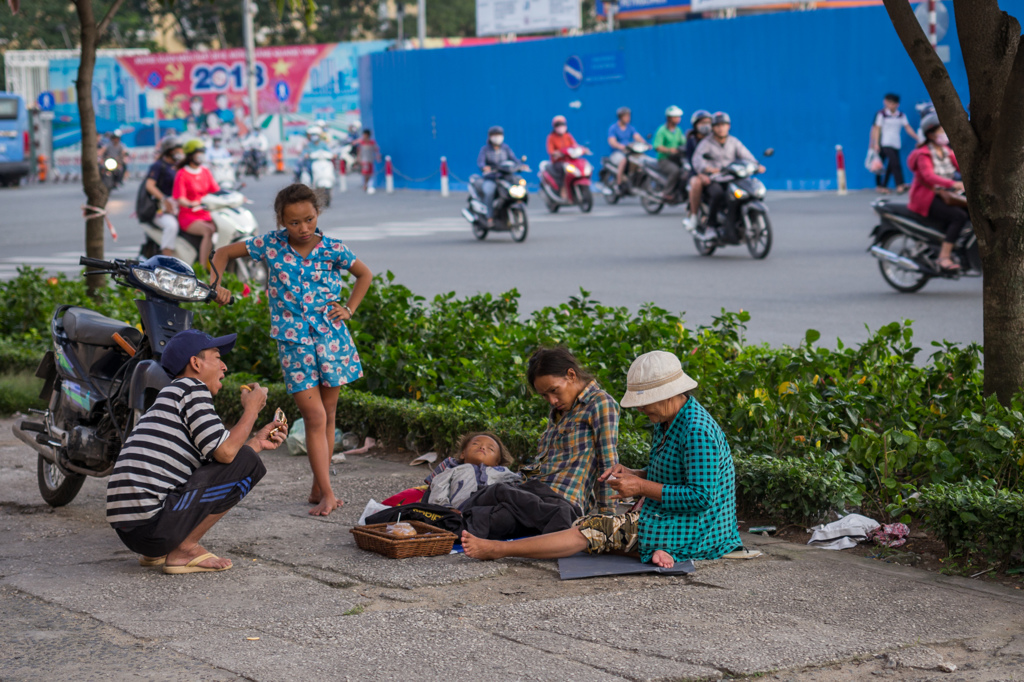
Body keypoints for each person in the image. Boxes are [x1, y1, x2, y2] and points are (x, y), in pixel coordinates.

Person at [462, 351, 749, 568]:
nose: (639, 409)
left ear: (667, 394)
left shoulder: (697, 430)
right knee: (591, 528)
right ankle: (652, 548)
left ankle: (498, 550)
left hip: (698, 528)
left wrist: (639, 487)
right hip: (676, 516)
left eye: (643, 402)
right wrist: (636, 473)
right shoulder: (670, 419)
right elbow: (674, 474)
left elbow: (700, 497)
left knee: (589, 531)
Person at [211, 183, 373, 517]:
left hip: (332, 338)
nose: (303, 228)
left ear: (318, 214)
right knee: (314, 417)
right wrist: (216, 285)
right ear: (281, 221)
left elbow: (364, 275)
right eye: (294, 222)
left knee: (328, 416)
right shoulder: (269, 244)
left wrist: (350, 309)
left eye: (309, 219)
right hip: (294, 343)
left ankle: (319, 485)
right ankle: (328, 493)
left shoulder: (333, 248)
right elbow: (223, 253)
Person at [105, 330, 286, 574]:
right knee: (250, 465)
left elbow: (220, 459)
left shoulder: (171, 395)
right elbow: (227, 455)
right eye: (217, 357)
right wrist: (252, 410)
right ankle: (185, 549)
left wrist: (257, 442)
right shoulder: (193, 389)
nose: (224, 367)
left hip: (132, 532)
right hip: (151, 526)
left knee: (246, 458)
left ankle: (158, 552)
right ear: (195, 363)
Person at [518, 347, 619, 515]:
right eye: (544, 395)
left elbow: (608, 462)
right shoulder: (559, 412)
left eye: (554, 390)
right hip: (531, 491)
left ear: (571, 375)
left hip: (560, 500)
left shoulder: (599, 402)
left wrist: (607, 514)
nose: (551, 400)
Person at [907, 113, 967, 271]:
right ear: (931, 134)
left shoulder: (946, 150)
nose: (945, 134)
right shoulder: (923, 154)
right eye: (941, 131)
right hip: (927, 196)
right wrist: (954, 183)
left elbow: (962, 166)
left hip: (946, 194)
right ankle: (944, 257)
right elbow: (929, 176)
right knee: (959, 217)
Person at [692, 112, 763, 238]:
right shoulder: (706, 143)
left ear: (728, 126)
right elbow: (697, 160)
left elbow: (746, 155)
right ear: (713, 127)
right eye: (718, 125)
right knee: (717, 195)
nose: (721, 128)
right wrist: (707, 168)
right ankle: (711, 227)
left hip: (733, 177)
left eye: (724, 125)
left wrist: (756, 165)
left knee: (747, 192)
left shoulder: (733, 141)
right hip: (716, 179)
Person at [173, 139, 220, 269]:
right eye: (198, 152)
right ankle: (204, 269)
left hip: (206, 213)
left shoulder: (205, 171)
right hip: (189, 216)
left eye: (202, 152)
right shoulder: (182, 174)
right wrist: (190, 204)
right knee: (208, 231)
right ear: (190, 155)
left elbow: (216, 191)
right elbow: (180, 198)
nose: (201, 155)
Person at [145, 136, 184, 256]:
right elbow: (149, 185)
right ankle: (167, 260)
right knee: (171, 226)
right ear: (171, 151)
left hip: (177, 207)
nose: (181, 152)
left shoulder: (177, 166)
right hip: (160, 209)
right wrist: (164, 199)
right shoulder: (158, 166)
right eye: (178, 149)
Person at [871, 93, 917, 194]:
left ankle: (882, 186)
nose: (891, 105)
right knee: (894, 163)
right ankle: (899, 184)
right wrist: (875, 143)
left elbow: (907, 127)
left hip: (896, 143)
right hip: (885, 143)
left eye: (893, 103)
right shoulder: (881, 114)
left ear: (897, 104)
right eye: (889, 103)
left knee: (891, 165)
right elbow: (876, 129)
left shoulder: (901, 115)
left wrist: (917, 138)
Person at [475, 125, 519, 227]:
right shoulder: (485, 149)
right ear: (490, 137)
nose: (497, 137)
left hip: (504, 177)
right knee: (489, 192)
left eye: (499, 135)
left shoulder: (505, 148)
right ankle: (489, 217)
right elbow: (480, 162)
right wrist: (484, 167)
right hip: (491, 178)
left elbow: (513, 159)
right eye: (495, 135)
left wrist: (520, 165)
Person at [682, 110, 713, 233]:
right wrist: (701, 173)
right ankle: (693, 216)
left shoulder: (714, 138)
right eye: (702, 122)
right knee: (695, 183)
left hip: (716, 172)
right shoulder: (692, 141)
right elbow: (692, 161)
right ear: (695, 125)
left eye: (708, 122)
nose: (706, 125)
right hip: (697, 171)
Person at [546, 115, 589, 198]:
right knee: (563, 170)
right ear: (554, 126)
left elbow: (574, 145)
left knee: (581, 164)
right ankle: (562, 189)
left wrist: (583, 149)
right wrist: (556, 153)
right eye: (558, 125)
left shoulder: (568, 136)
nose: (560, 127)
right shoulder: (551, 137)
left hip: (570, 160)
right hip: (558, 161)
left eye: (562, 124)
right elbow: (550, 150)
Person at [607, 106, 645, 188]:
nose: (628, 118)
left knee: (640, 159)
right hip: (617, 152)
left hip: (628, 151)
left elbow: (637, 136)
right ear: (620, 117)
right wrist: (620, 146)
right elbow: (612, 141)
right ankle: (619, 181)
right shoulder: (613, 128)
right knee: (623, 160)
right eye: (626, 116)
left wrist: (645, 144)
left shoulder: (630, 128)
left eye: (629, 116)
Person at [652, 106, 685, 201]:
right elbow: (657, 146)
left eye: (679, 117)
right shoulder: (662, 130)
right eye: (676, 117)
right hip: (664, 159)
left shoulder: (678, 130)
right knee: (675, 171)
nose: (678, 119)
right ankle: (666, 192)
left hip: (676, 158)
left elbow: (683, 142)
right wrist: (670, 150)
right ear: (669, 118)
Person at [357, 129, 381, 193]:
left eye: (364, 134)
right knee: (365, 173)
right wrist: (358, 158)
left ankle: (367, 184)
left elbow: (376, 149)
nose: (363, 136)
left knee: (370, 173)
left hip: (370, 160)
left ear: (367, 135)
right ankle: (365, 185)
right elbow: (359, 151)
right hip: (364, 160)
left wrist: (378, 156)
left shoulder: (372, 142)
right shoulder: (362, 142)